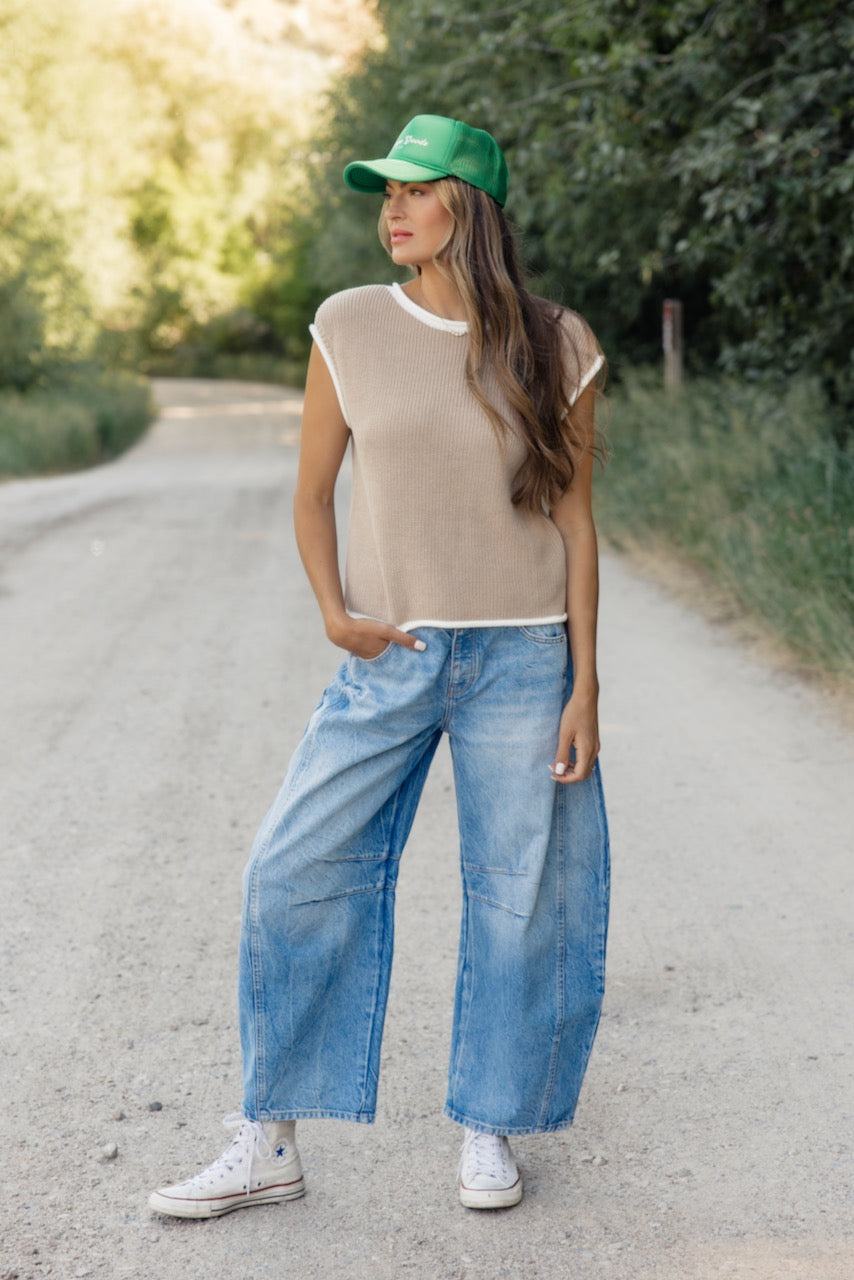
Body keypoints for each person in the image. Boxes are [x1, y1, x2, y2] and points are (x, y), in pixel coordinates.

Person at [149, 113, 610, 1219]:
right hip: (391, 652)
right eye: (383, 194)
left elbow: (578, 523)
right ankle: (267, 1138)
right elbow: (312, 492)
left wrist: (585, 681)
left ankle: (487, 1125)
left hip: (523, 654)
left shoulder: (556, 341)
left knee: (519, 896)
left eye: (414, 188)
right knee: (292, 864)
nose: (390, 210)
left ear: (471, 206)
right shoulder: (349, 323)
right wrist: (332, 611)